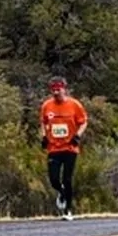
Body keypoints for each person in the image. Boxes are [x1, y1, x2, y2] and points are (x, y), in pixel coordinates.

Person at [40, 76, 88, 221]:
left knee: (67, 179)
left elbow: (83, 122)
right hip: (54, 148)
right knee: (54, 179)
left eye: (58, 90)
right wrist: (44, 136)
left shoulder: (75, 105)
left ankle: (68, 210)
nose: (56, 93)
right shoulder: (47, 106)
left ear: (64, 89)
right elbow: (43, 122)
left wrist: (77, 136)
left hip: (70, 148)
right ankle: (61, 192)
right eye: (53, 90)